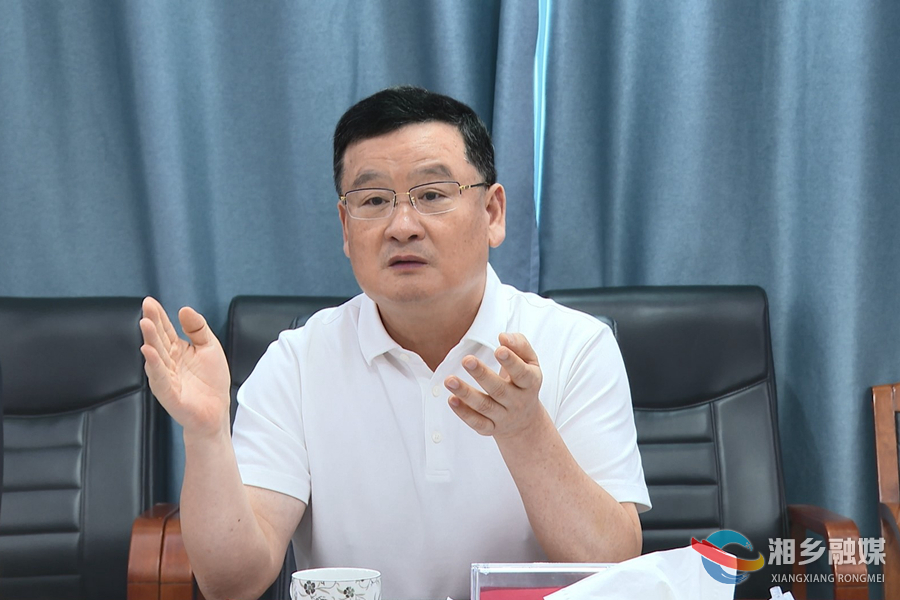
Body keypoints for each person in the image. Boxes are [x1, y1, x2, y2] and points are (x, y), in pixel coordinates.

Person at [139, 86, 650, 600]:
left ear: (492, 213)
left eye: (432, 195)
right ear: (345, 227)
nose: (401, 227)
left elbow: (615, 567)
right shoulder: (297, 362)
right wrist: (206, 434)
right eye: (374, 201)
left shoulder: (576, 346)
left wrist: (525, 430)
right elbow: (232, 583)